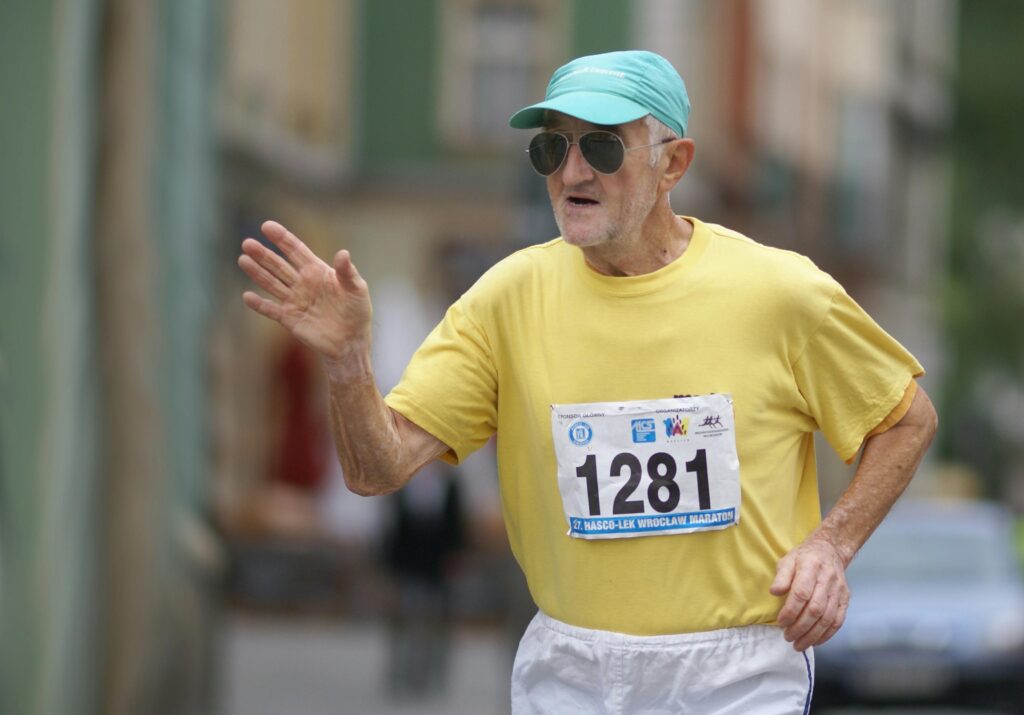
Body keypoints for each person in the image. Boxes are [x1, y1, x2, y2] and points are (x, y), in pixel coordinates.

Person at [238, 50, 937, 713]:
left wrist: (829, 546)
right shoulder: (505, 298)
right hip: (571, 664)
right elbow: (377, 467)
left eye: (602, 148)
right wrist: (348, 358)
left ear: (674, 164)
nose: (573, 172)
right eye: (552, 149)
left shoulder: (780, 292)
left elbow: (907, 417)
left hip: (737, 670)